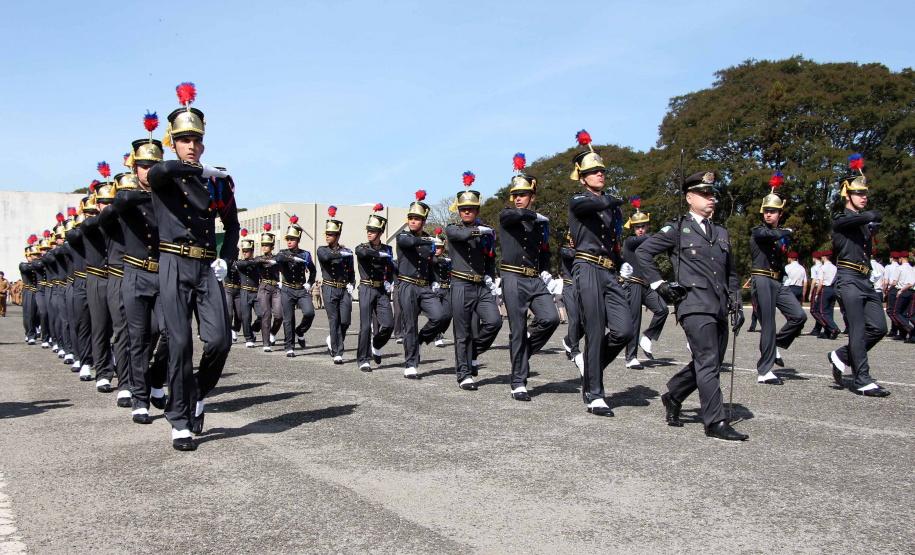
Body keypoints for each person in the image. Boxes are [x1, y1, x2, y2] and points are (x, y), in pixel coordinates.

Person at [149, 82, 240, 450]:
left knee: (220, 339)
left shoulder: (219, 183)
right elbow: (158, 173)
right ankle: (180, 418)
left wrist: (226, 258)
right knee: (181, 342)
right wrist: (198, 172)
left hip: (205, 268)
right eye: (184, 139)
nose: (191, 145)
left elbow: (231, 225)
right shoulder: (166, 176)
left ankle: (198, 392)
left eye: (196, 140)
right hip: (173, 263)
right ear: (173, 142)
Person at [637, 170, 748, 441]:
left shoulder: (721, 232)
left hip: (720, 304)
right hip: (694, 304)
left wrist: (737, 299)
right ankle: (715, 422)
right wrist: (658, 284)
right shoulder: (677, 228)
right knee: (709, 361)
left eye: (713, 194)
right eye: (704, 194)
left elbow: (730, 271)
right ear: (689, 197)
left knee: (709, 361)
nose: (711, 198)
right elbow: (643, 252)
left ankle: (674, 394)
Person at [567, 130, 633, 416]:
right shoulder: (579, 201)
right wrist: (614, 200)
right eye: (593, 172)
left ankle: (590, 368)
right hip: (587, 267)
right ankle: (595, 394)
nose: (599, 175)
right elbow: (597, 203)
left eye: (601, 171)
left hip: (608, 271)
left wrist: (621, 262)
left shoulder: (611, 206)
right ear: (582, 178)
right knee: (594, 330)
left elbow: (613, 239)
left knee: (624, 330)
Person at [114, 124, 169, 423]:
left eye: (153, 166)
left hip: (163, 274)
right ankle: (139, 398)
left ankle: (157, 380)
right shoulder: (129, 196)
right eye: (143, 166)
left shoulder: (170, 198)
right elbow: (121, 202)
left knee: (171, 332)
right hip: (135, 274)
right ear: (135, 169)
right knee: (138, 338)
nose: (148, 171)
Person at [826, 155, 890, 396]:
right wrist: (870, 215)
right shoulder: (841, 220)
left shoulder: (863, 222)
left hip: (865, 280)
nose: (864, 196)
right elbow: (872, 216)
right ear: (847, 194)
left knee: (879, 328)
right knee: (858, 331)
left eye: (865, 193)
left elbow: (875, 217)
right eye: (858, 193)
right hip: (848, 278)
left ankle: (841, 355)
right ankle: (862, 379)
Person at [498, 155, 558, 401]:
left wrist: (548, 273)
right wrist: (532, 216)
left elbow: (544, 251)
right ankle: (518, 381)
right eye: (515, 195)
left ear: (533, 196)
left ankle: (524, 353)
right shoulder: (508, 215)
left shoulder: (541, 224)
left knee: (551, 318)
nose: (518, 198)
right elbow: (510, 217)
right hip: (512, 276)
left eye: (523, 195)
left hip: (534, 279)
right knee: (517, 329)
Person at [749, 173, 806, 385]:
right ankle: (764, 371)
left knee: (799, 316)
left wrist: (783, 234)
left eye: (773, 211)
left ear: (780, 213)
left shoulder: (779, 235)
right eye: (766, 211)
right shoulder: (759, 232)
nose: (768, 214)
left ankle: (774, 346)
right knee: (769, 325)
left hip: (777, 282)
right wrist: (786, 231)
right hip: (762, 280)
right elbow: (767, 235)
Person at [445, 176, 501, 390]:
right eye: (464, 209)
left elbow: (490, 256)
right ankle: (464, 374)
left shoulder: (486, 232)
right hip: (460, 285)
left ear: (477, 211)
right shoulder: (453, 229)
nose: (467, 212)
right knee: (462, 332)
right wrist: (479, 231)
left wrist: (490, 275)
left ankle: (473, 352)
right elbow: (460, 235)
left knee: (494, 322)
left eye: (471, 209)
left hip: (480, 286)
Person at [398, 190, 448, 379]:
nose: (412, 221)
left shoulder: (429, 242)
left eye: (417, 219)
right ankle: (411, 364)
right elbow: (410, 242)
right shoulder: (403, 237)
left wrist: (434, 282)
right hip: (407, 285)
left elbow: (430, 265)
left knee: (440, 316)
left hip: (425, 286)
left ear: (423, 222)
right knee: (410, 324)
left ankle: (421, 339)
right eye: (410, 217)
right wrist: (429, 240)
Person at [100, 171, 136, 408]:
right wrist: (121, 197)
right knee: (122, 331)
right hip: (119, 276)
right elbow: (104, 217)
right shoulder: (111, 216)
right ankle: (125, 384)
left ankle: (144, 376)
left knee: (154, 330)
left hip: (145, 275)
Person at [620, 197, 669, 370]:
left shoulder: (648, 240)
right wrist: (666, 233)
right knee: (635, 321)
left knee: (663, 309)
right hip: (633, 284)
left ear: (647, 226)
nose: (640, 230)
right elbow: (647, 240)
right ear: (632, 228)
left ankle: (647, 336)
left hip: (646, 285)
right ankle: (630, 357)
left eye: (643, 226)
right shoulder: (630, 241)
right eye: (637, 227)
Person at [80, 181, 118, 390]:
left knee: (124, 328)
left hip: (118, 276)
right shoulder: (91, 222)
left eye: (111, 201)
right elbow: (86, 226)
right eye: (104, 202)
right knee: (101, 326)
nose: (108, 205)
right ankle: (103, 371)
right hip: (98, 278)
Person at [355, 204, 396, 371]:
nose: (369, 232)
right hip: (366, 288)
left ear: (381, 232)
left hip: (381, 290)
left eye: (373, 230)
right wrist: (378, 254)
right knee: (365, 326)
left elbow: (392, 268)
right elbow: (361, 253)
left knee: (389, 324)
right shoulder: (363, 247)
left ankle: (376, 344)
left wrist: (390, 280)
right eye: (368, 230)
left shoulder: (388, 249)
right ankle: (363, 359)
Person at [317, 206, 355, 364]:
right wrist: (340, 253)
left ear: (338, 236)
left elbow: (351, 270)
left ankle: (333, 339)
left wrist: (352, 283)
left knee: (345, 321)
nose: (327, 236)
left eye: (331, 234)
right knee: (334, 320)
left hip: (343, 288)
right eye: (326, 234)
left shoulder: (347, 251)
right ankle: (338, 351)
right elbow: (326, 258)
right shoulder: (322, 250)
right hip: (329, 287)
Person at [275, 215, 317, 357]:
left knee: (309, 312)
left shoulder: (305, 254)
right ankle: (289, 346)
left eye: (292, 239)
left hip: (301, 289)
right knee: (288, 318)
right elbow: (278, 258)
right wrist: (293, 258)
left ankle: (300, 331)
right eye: (288, 239)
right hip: (287, 289)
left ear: (298, 240)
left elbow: (313, 270)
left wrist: (309, 283)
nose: (289, 242)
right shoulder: (283, 253)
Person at [63, 202, 94, 377]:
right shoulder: (75, 236)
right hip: (81, 283)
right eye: (87, 213)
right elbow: (72, 236)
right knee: (82, 324)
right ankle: (84, 360)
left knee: (105, 326)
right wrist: (86, 223)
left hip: (103, 280)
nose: (91, 215)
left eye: (93, 212)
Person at [254, 223, 283, 352]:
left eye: (267, 245)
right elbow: (256, 262)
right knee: (266, 315)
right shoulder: (259, 258)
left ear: (272, 246)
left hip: (276, 287)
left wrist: (275, 261)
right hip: (264, 286)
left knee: (279, 315)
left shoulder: (278, 257)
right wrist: (268, 262)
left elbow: (282, 260)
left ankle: (272, 332)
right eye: (263, 245)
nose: (264, 247)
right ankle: (266, 343)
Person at [234, 230, 263, 348]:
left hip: (256, 291)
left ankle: (253, 329)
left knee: (262, 315)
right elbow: (242, 265)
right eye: (243, 251)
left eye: (247, 251)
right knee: (245, 316)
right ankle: (248, 338)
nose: (245, 253)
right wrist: (253, 262)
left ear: (252, 251)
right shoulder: (241, 262)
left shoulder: (256, 262)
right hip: (244, 291)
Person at [559, 235, 583, 373]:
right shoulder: (566, 250)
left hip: (582, 289)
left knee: (585, 324)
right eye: (571, 237)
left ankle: (568, 341)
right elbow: (571, 254)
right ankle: (574, 350)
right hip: (569, 287)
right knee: (574, 320)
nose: (573, 239)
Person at [430, 228, 452, 348]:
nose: (437, 250)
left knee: (448, 315)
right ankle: (437, 336)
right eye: (435, 247)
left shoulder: (447, 260)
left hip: (446, 289)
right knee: (438, 314)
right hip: (435, 290)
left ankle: (439, 333)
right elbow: (435, 261)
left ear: (443, 248)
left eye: (439, 248)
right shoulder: (432, 259)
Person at [814, 251, 840, 339]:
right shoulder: (835, 268)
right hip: (833, 289)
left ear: (824, 257)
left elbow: (820, 282)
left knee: (823, 311)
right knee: (830, 311)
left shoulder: (822, 268)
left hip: (825, 288)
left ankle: (834, 328)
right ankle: (827, 333)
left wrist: (817, 293)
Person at [891, 251, 915, 342]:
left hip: (903, 290)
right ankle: (909, 336)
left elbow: (895, 282)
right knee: (905, 313)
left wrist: (899, 290)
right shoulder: (912, 268)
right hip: (911, 292)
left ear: (901, 258)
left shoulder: (899, 268)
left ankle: (910, 330)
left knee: (895, 313)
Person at [884, 252, 901, 339]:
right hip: (901, 289)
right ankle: (894, 330)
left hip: (892, 288)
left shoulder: (888, 267)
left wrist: (885, 291)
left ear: (891, 258)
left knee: (890, 311)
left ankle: (898, 327)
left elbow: (886, 281)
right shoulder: (900, 267)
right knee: (897, 310)